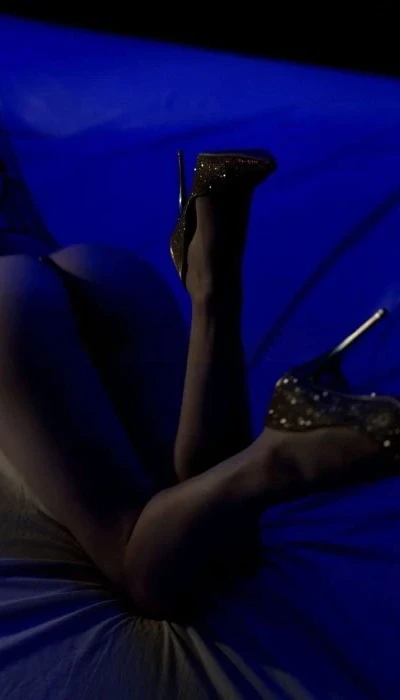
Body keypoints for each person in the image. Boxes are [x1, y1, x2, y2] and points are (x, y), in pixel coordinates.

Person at [0, 150, 391, 622]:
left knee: (138, 566)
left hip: (10, 303)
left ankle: (278, 457)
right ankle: (211, 280)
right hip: (99, 269)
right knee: (221, 535)